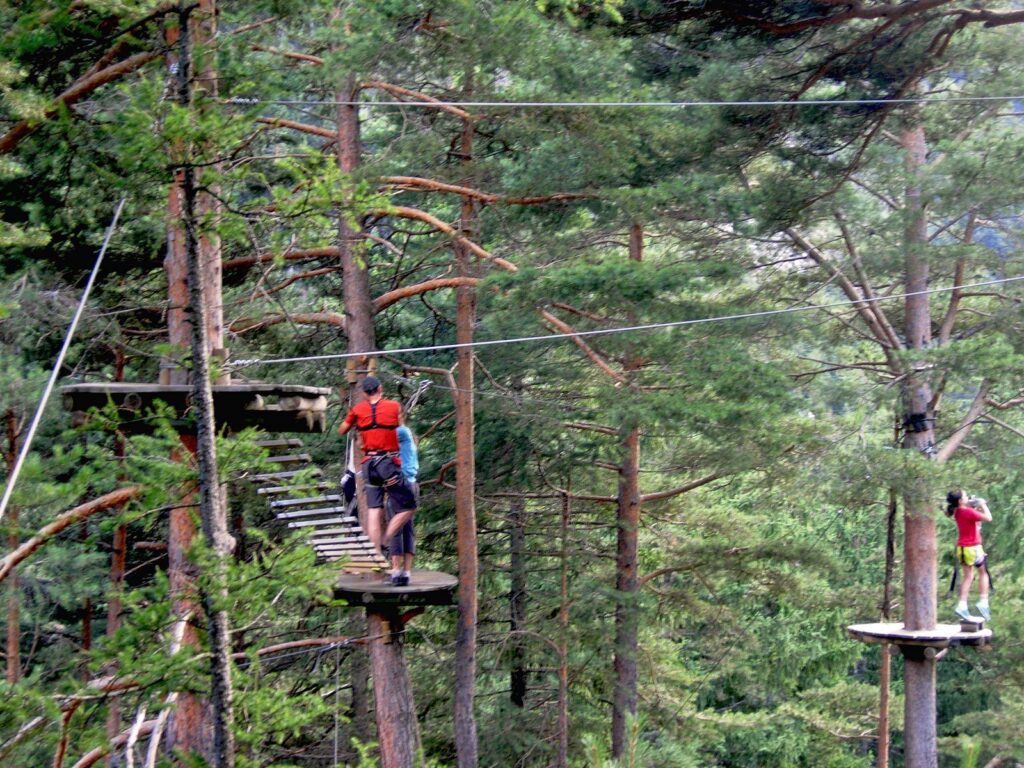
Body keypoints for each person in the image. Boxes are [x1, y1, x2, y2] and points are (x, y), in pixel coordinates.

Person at [338, 376, 418, 584]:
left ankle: (375, 552)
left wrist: (358, 423)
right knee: (408, 506)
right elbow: (395, 423)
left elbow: (342, 430)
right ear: (381, 389)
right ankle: (384, 541)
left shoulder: (358, 410)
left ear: (365, 393)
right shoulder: (393, 407)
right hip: (387, 464)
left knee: (374, 511)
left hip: (368, 464)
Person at [946, 489, 992, 621]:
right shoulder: (969, 512)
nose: (967, 497)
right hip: (973, 548)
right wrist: (983, 505)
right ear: (960, 501)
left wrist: (972, 504)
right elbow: (988, 518)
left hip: (962, 548)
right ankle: (983, 601)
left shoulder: (958, 511)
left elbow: (971, 518)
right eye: (965, 496)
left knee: (968, 577)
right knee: (983, 573)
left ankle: (962, 604)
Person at [385, 425, 419, 586]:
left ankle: (397, 570)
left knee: (396, 527)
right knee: (407, 528)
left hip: (402, 485)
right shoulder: (406, 442)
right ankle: (406, 572)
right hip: (411, 485)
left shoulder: (402, 431)